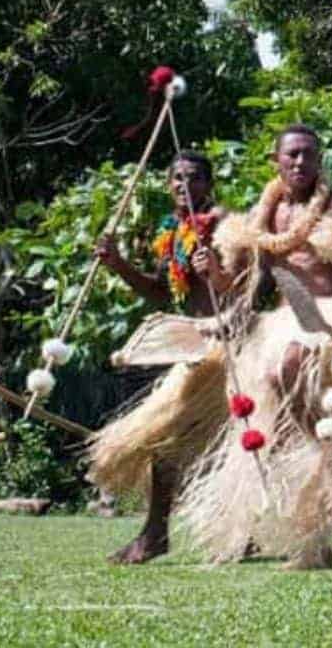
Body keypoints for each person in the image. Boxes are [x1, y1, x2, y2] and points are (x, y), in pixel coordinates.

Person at [177, 125, 332, 569]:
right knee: (279, 437)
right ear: (277, 161)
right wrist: (211, 271)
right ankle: (313, 542)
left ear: (319, 159)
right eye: (292, 155)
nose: (300, 162)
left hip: (329, 316)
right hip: (284, 317)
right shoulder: (263, 213)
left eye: (308, 154)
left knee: (284, 369)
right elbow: (237, 284)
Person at [85, 151, 229, 563]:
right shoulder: (173, 231)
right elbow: (160, 293)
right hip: (192, 349)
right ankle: (164, 532)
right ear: (168, 185)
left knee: (173, 438)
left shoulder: (223, 224)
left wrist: (215, 269)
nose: (185, 185)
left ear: (209, 184)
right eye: (177, 178)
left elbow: (245, 283)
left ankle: (155, 534)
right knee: (188, 443)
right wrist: (117, 264)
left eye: (194, 177)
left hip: (225, 348)